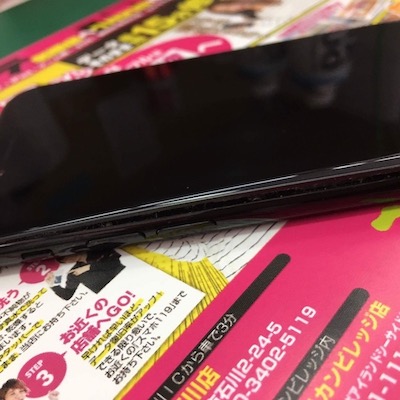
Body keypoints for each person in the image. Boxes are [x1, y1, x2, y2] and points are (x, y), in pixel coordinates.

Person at [45, 249, 125, 300]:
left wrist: (88, 267)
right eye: (63, 260)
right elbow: (67, 295)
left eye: (65, 257)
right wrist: (53, 285)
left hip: (124, 280)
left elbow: (115, 263)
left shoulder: (97, 250)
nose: (67, 258)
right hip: (107, 296)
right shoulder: (73, 272)